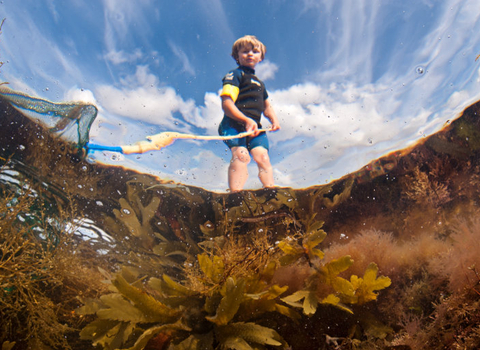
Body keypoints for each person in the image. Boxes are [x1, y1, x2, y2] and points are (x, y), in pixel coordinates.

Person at [218, 35, 281, 192]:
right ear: (237, 56)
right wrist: (245, 119)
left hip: (255, 129)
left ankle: (270, 192)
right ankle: (235, 194)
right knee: (242, 155)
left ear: (261, 57)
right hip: (233, 124)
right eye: (245, 51)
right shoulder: (235, 75)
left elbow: (266, 107)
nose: (250, 54)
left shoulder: (261, 84)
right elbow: (226, 103)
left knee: (263, 158)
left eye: (255, 51)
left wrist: (274, 120)